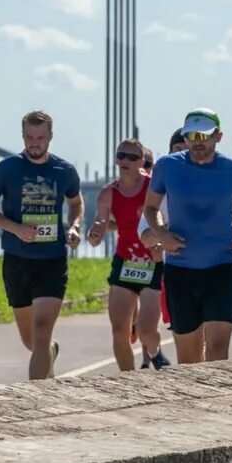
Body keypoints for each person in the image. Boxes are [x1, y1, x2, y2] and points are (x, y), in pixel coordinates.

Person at [142, 108, 232, 364]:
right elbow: (151, 208)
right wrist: (162, 233)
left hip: (222, 268)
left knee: (218, 352)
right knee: (189, 359)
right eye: (191, 136)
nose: (197, 142)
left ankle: (215, 402)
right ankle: (191, 403)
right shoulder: (167, 166)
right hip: (180, 271)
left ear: (218, 136)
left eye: (204, 135)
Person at [0, 111, 83, 380]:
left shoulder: (64, 171)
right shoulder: (7, 168)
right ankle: (49, 352)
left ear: (50, 136)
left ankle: (37, 401)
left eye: (40, 137)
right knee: (32, 341)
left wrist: (74, 226)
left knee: (42, 330)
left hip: (52, 260)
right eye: (29, 137)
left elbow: (76, 202)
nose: (34, 143)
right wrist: (16, 229)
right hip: (17, 259)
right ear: (22, 136)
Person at [87, 137, 169, 372]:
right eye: (121, 155)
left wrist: (162, 243)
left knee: (145, 330)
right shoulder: (108, 193)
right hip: (125, 262)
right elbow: (99, 227)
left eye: (132, 157)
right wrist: (95, 234)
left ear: (142, 162)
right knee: (119, 330)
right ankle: (127, 379)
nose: (125, 161)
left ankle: (154, 352)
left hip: (153, 262)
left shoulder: (154, 188)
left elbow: (169, 220)